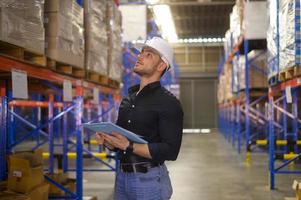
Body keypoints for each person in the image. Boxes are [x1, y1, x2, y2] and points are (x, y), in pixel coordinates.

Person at [95, 37, 183, 200]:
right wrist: (108, 141)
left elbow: (170, 150)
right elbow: (120, 142)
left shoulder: (169, 102)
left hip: (148, 181)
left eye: (148, 54)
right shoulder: (128, 100)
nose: (140, 56)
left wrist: (128, 146)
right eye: (141, 52)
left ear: (161, 65)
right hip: (121, 177)